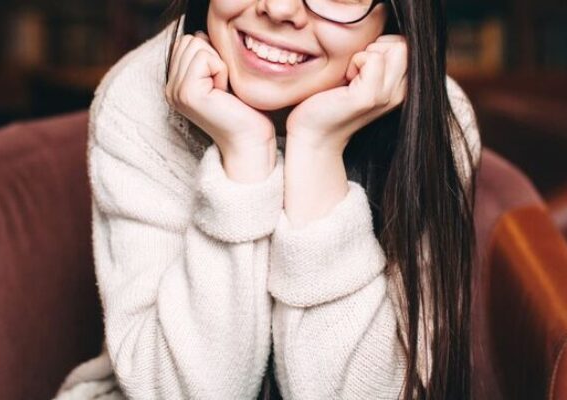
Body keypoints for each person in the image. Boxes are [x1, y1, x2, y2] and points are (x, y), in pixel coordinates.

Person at [54, 0, 481, 398]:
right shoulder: (139, 96)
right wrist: (243, 160)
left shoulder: (437, 125)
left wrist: (316, 149)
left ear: (396, 16)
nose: (278, 9)